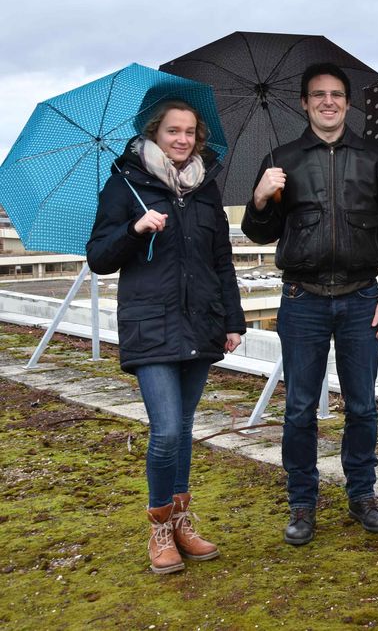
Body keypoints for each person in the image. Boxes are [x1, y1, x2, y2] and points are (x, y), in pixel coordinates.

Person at [242, 62, 378, 546]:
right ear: (304, 102)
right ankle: (302, 502)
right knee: (298, 408)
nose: (328, 102)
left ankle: (362, 496)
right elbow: (260, 232)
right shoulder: (282, 158)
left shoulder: (374, 157)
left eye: (336, 95)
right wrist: (260, 198)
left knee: (362, 407)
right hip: (302, 298)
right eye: (319, 95)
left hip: (360, 297)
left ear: (348, 103)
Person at [87, 98, 245, 575]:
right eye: (173, 131)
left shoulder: (205, 190)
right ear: (155, 134)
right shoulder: (125, 185)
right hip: (150, 326)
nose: (182, 139)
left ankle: (181, 523)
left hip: (201, 323)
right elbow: (98, 257)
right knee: (167, 430)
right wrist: (136, 229)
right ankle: (159, 526)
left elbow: (221, 260)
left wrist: (233, 320)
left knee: (185, 431)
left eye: (190, 132)